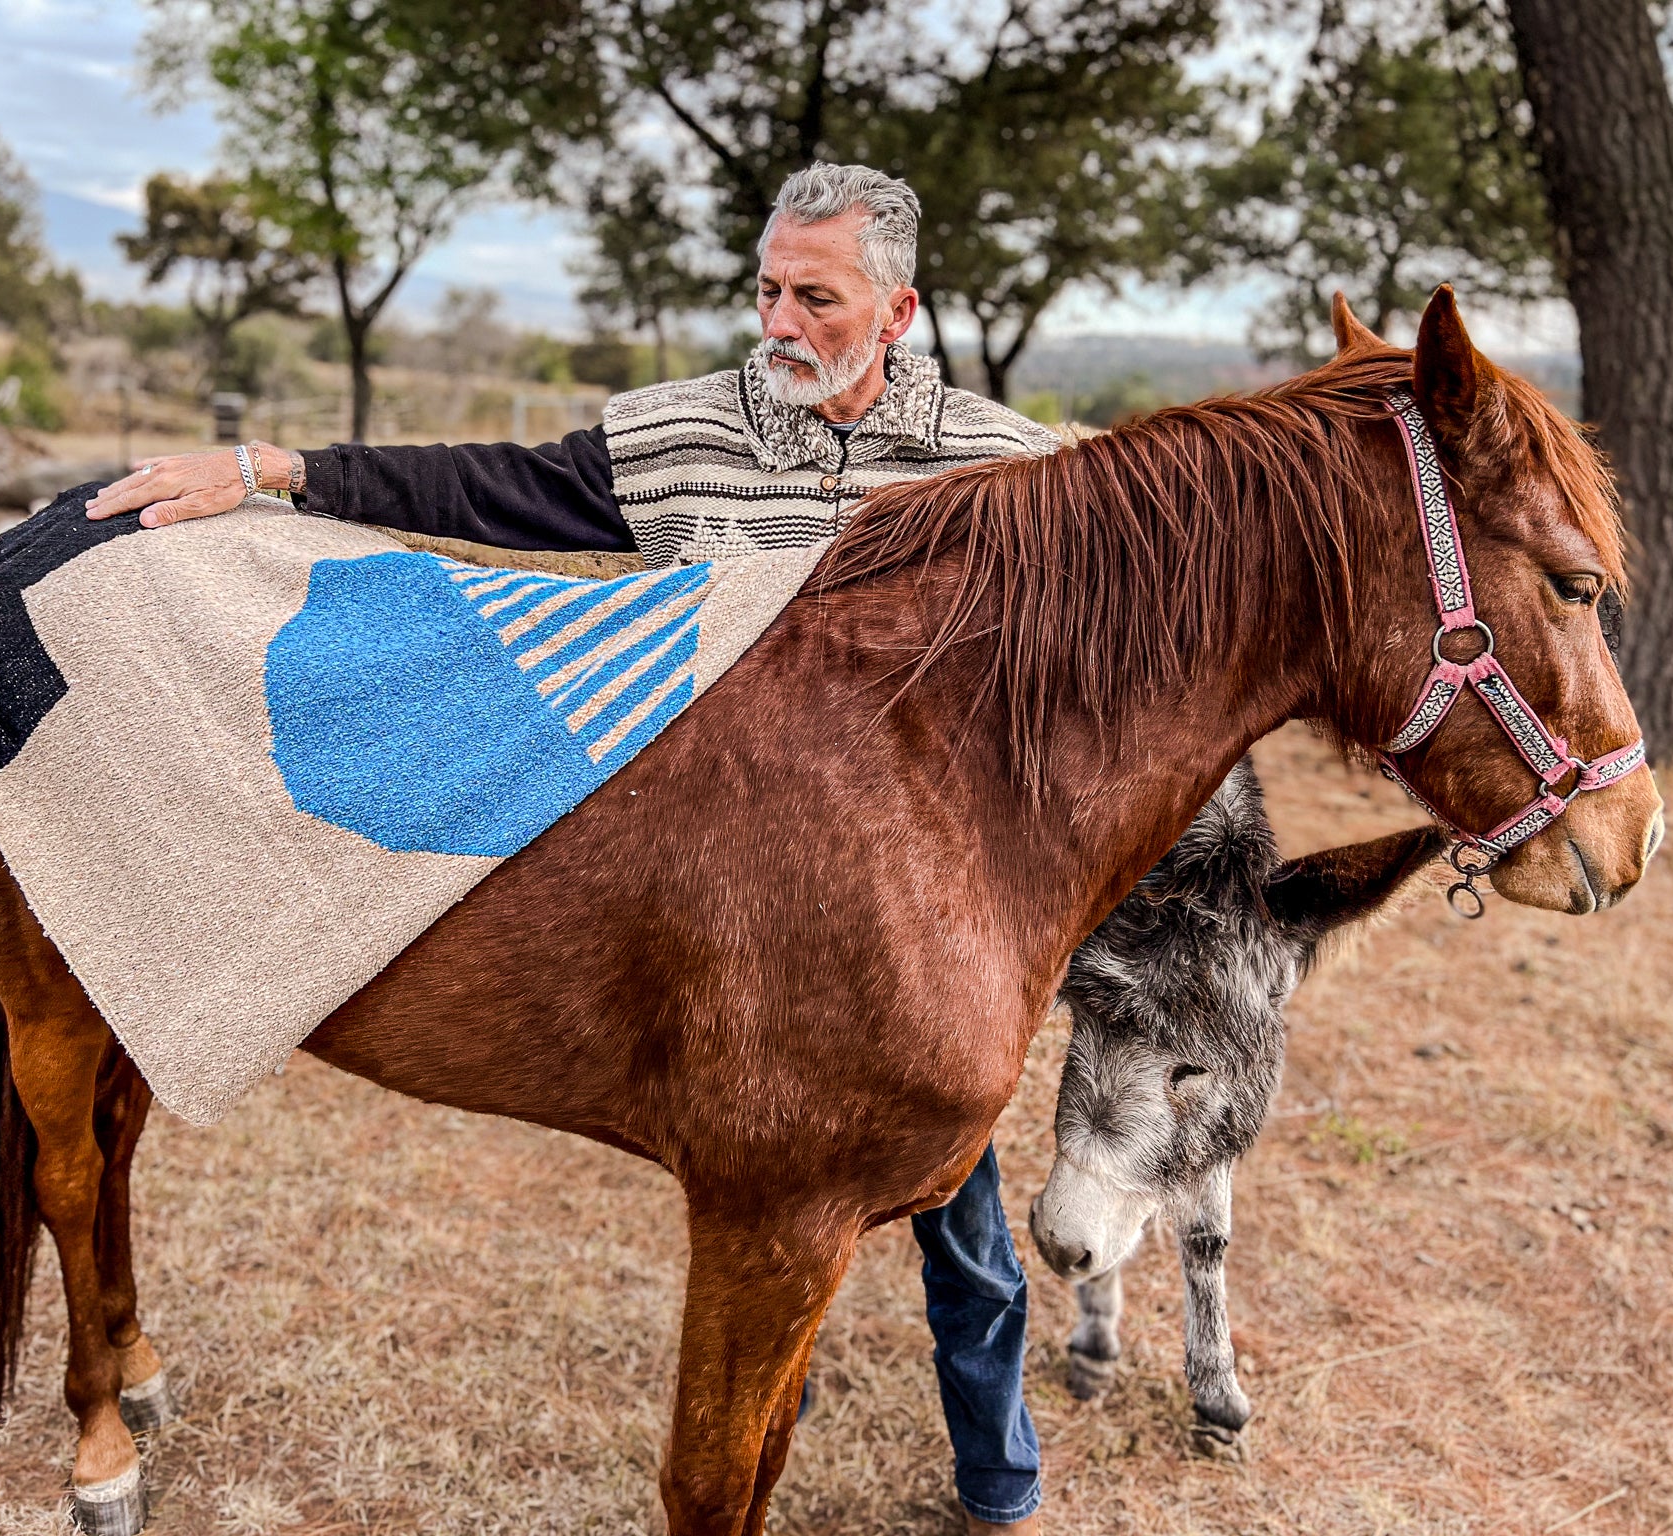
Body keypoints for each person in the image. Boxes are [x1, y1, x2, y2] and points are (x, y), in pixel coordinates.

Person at [87, 161, 1056, 1534]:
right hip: (730, 912)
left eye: (815, 297)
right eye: (767, 287)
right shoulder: (681, 436)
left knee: (970, 1232)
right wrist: (265, 471)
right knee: (776, 1216)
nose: (777, 320)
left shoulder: (1001, 470)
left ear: (896, 311)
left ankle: (1000, 1482)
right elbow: (483, 486)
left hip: (909, 936)